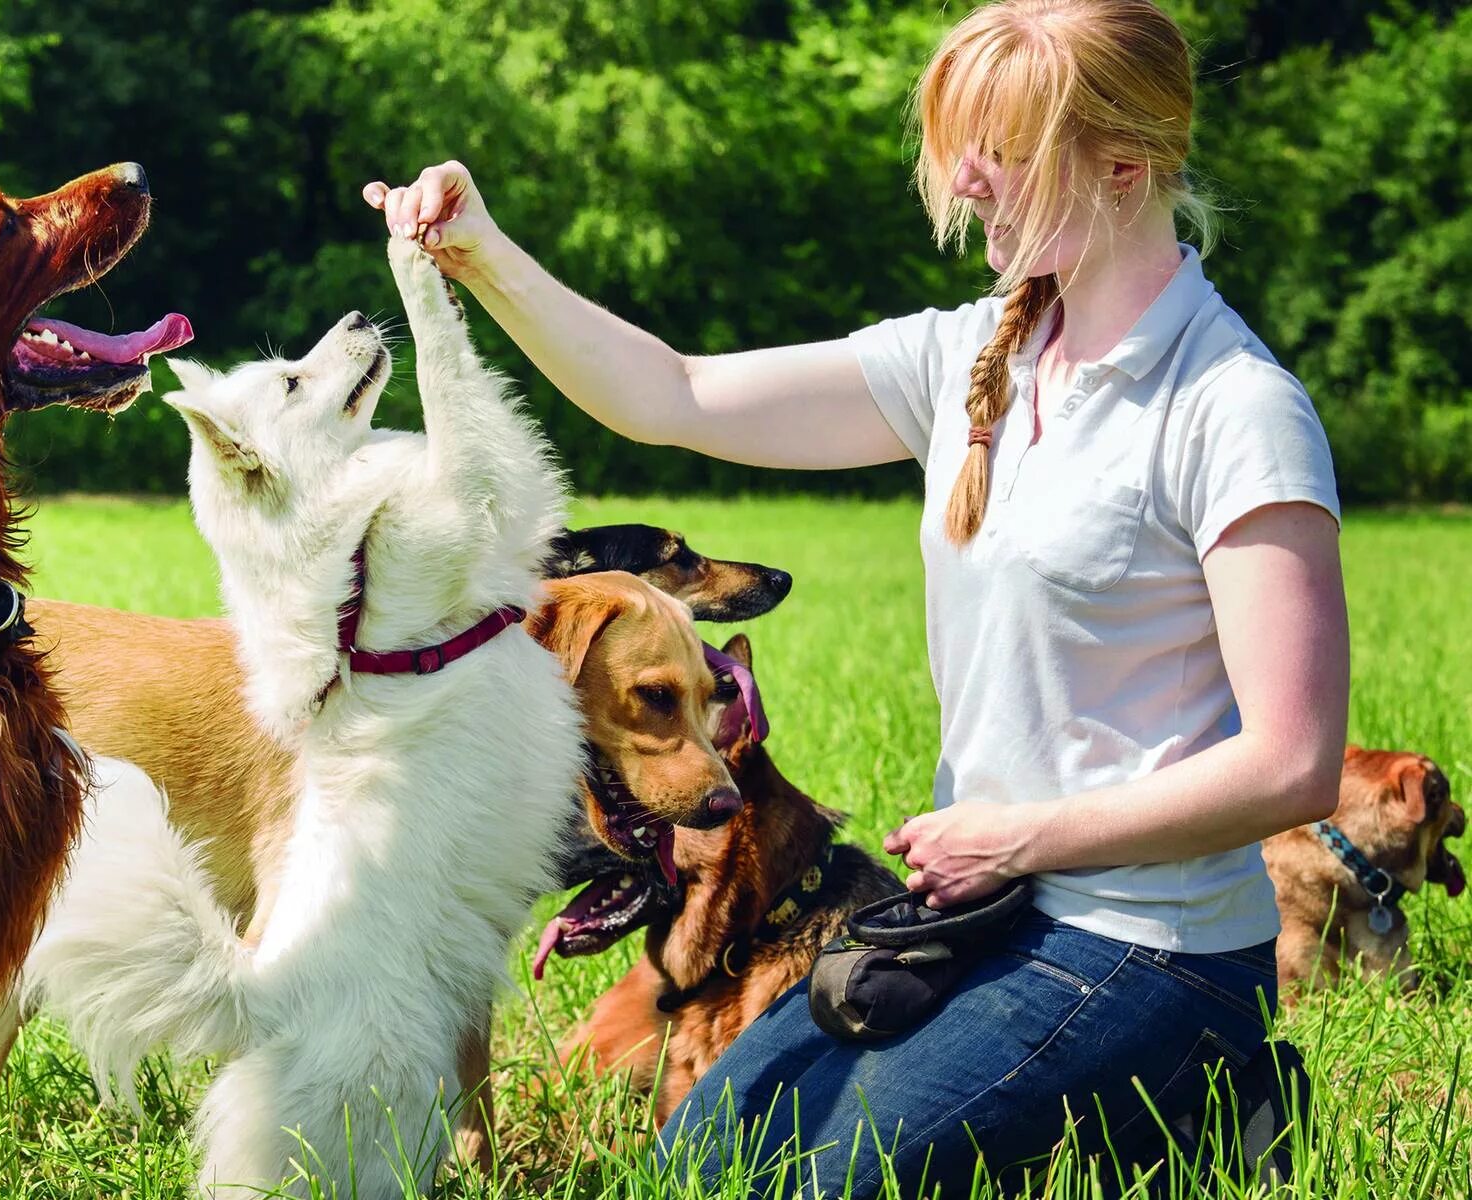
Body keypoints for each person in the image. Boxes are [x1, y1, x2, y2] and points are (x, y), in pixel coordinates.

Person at [365, 0, 1347, 1193]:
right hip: (990, 913)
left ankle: (1204, 1079)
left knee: (803, 1185)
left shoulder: (1235, 409)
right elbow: (675, 393)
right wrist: (488, 254)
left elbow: (1292, 764)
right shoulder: (972, 359)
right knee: (698, 1162)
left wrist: (1025, 833)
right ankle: (1173, 1122)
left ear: (1125, 168)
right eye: (960, 146)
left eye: (1002, 149)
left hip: (1151, 944)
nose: (968, 180)